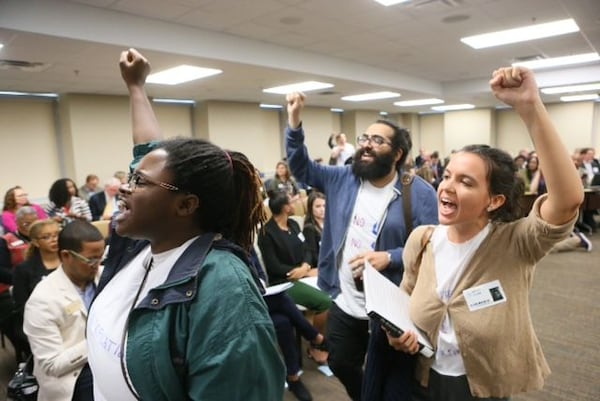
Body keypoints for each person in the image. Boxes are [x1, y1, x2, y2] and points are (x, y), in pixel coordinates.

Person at [82, 48, 284, 401]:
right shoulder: (146, 240)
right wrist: (136, 87)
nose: (124, 188)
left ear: (186, 205)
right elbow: (145, 148)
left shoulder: (224, 287)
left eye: (139, 182)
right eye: (130, 178)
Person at [386, 66, 584, 401]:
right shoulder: (422, 239)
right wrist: (398, 334)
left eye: (465, 182)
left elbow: (567, 202)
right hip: (425, 379)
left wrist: (531, 108)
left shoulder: (515, 244)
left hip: (483, 388)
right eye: (447, 176)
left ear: (494, 200)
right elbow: (403, 304)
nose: (446, 187)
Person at [285, 91, 438, 400]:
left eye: (378, 140)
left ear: (397, 154)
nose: (367, 143)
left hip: (390, 301)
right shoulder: (344, 178)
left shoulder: (419, 193)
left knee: (394, 375)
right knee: (340, 361)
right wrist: (294, 121)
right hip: (345, 298)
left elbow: (434, 246)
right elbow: (301, 168)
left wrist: (391, 257)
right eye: (365, 137)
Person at [23, 220, 104, 401]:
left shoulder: (105, 277)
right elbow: (53, 364)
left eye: (101, 257)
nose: (97, 265)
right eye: (91, 259)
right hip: (74, 376)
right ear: (66, 255)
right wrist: (100, 339)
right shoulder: (42, 300)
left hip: (107, 362)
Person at [258, 192, 331, 337]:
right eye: (291, 202)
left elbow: (306, 250)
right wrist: (301, 271)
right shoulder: (267, 233)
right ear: (285, 208)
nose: (294, 205)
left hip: (303, 274)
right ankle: (317, 343)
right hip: (284, 281)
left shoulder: (294, 224)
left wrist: (305, 266)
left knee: (335, 292)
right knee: (326, 302)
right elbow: (274, 266)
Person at [302, 191, 326, 268]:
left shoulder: (331, 223)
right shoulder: (309, 229)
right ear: (310, 208)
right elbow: (314, 257)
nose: (322, 209)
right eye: (318, 206)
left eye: (324, 206)